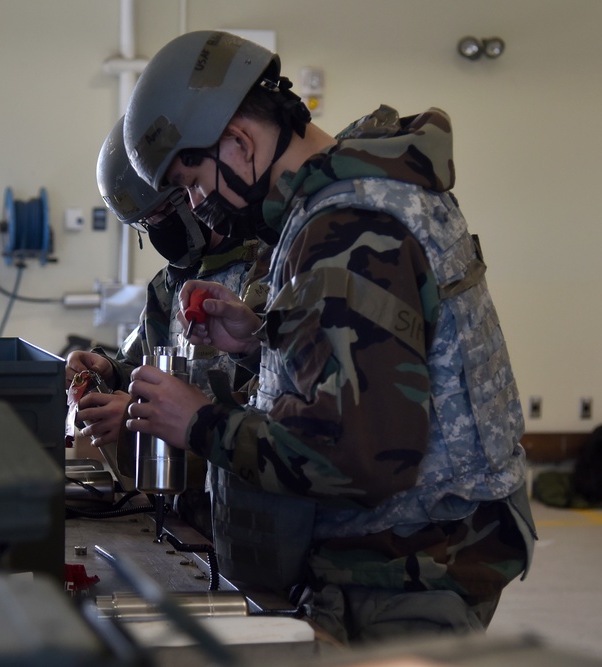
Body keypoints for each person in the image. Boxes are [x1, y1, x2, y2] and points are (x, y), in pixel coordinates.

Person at [119, 30, 536, 644]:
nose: (198, 204)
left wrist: (199, 423)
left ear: (238, 140)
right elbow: (376, 357)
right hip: (412, 552)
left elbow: (354, 459)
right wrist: (264, 334)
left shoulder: (349, 229)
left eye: (193, 181)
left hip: (406, 570)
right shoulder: (350, 198)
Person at [66, 117, 264, 533]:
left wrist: (138, 422)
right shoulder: (169, 285)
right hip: (186, 517)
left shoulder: (264, 273)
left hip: (247, 515)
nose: (157, 230)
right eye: (146, 223)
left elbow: (266, 415)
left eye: (159, 214)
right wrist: (108, 372)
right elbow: (141, 364)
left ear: (191, 193)